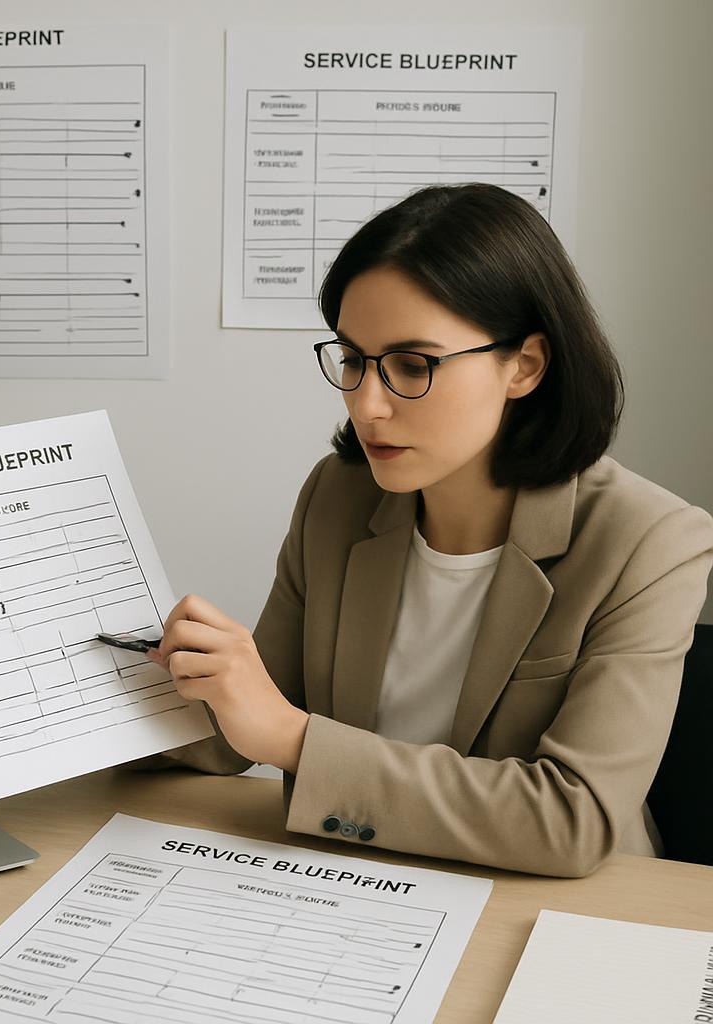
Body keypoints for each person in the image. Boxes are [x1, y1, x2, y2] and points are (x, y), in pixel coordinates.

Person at [136, 182, 713, 878]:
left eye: (413, 366)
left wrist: (293, 738)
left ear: (524, 365)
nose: (367, 404)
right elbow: (238, 730)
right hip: (354, 880)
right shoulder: (337, 496)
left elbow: (572, 820)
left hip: (553, 911)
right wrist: (73, 694)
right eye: (352, 359)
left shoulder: (653, 542)